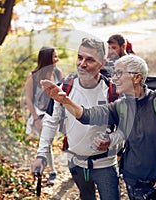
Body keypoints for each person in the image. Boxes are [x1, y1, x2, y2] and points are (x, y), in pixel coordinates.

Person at [40, 54, 156, 200]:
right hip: (134, 182)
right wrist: (64, 100)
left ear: (137, 78)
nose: (113, 78)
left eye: (119, 73)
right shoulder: (120, 106)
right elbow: (86, 115)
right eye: (113, 74)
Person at [31, 38, 120, 200]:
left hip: (105, 164)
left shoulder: (112, 91)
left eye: (90, 59)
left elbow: (124, 128)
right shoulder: (64, 87)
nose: (82, 64)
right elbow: (50, 122)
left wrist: (112, 140)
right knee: (86, 197)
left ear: (102, 63)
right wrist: (41, 155)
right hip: (77, 164)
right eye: (80, 57)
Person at [25, 46, 63, 181]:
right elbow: (28, 100)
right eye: (55, 57)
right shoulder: (33, 76)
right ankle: (52, 171)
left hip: (55, 112)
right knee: (46, 141)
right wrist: (36, 119)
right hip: (40, 114)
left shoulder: (58, 73)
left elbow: (62, 95)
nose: (57, 60)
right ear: (47, 59)